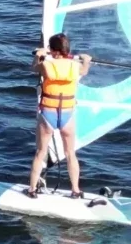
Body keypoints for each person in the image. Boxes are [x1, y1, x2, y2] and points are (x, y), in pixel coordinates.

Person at [27, 33, 92, 198]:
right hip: (67, 115)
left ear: (54, 51)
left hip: (48, 114)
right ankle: (76, 190)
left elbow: (34, 68)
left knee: (40, 152)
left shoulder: (47, 66)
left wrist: (39, 55)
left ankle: (32, 190)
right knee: (70, 153)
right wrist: (86, 60)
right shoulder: (75, 66)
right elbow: (84, 70)